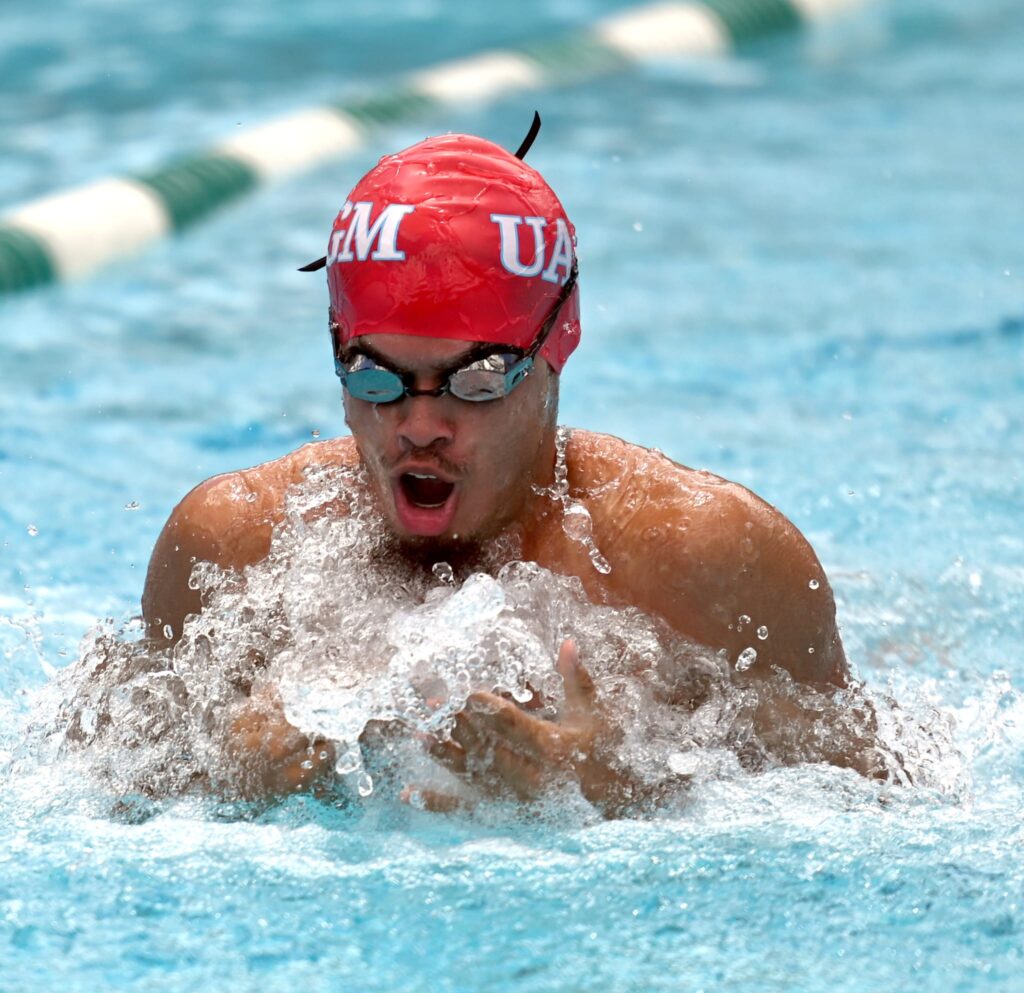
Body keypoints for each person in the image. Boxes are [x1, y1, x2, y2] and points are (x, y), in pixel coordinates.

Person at [142, 124, 873, 813]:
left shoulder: (703, 555)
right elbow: (97, 780)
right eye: (374, 377)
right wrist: (232, 779)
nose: (420, 426)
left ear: (557, 346)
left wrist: (621, 787)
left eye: (478, 379)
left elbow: (884, 794)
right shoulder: (233, 545)